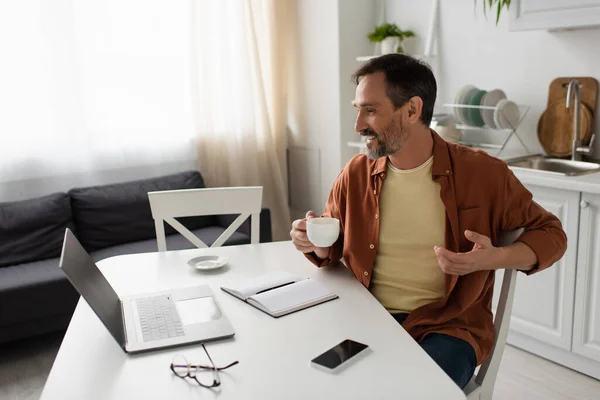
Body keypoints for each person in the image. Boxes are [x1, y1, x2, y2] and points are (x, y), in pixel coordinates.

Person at [290, 53, 567, 389]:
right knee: (311, 379)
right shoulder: (356, 174)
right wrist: (310, 241)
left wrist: (496, 257)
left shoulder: (483, 173)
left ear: (411, 110)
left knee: (412, 392)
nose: (358, 124)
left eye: (371, 110)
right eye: (358, 109)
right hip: (366, 318)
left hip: (449, 327)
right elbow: (330, 247)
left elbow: (552, 234)